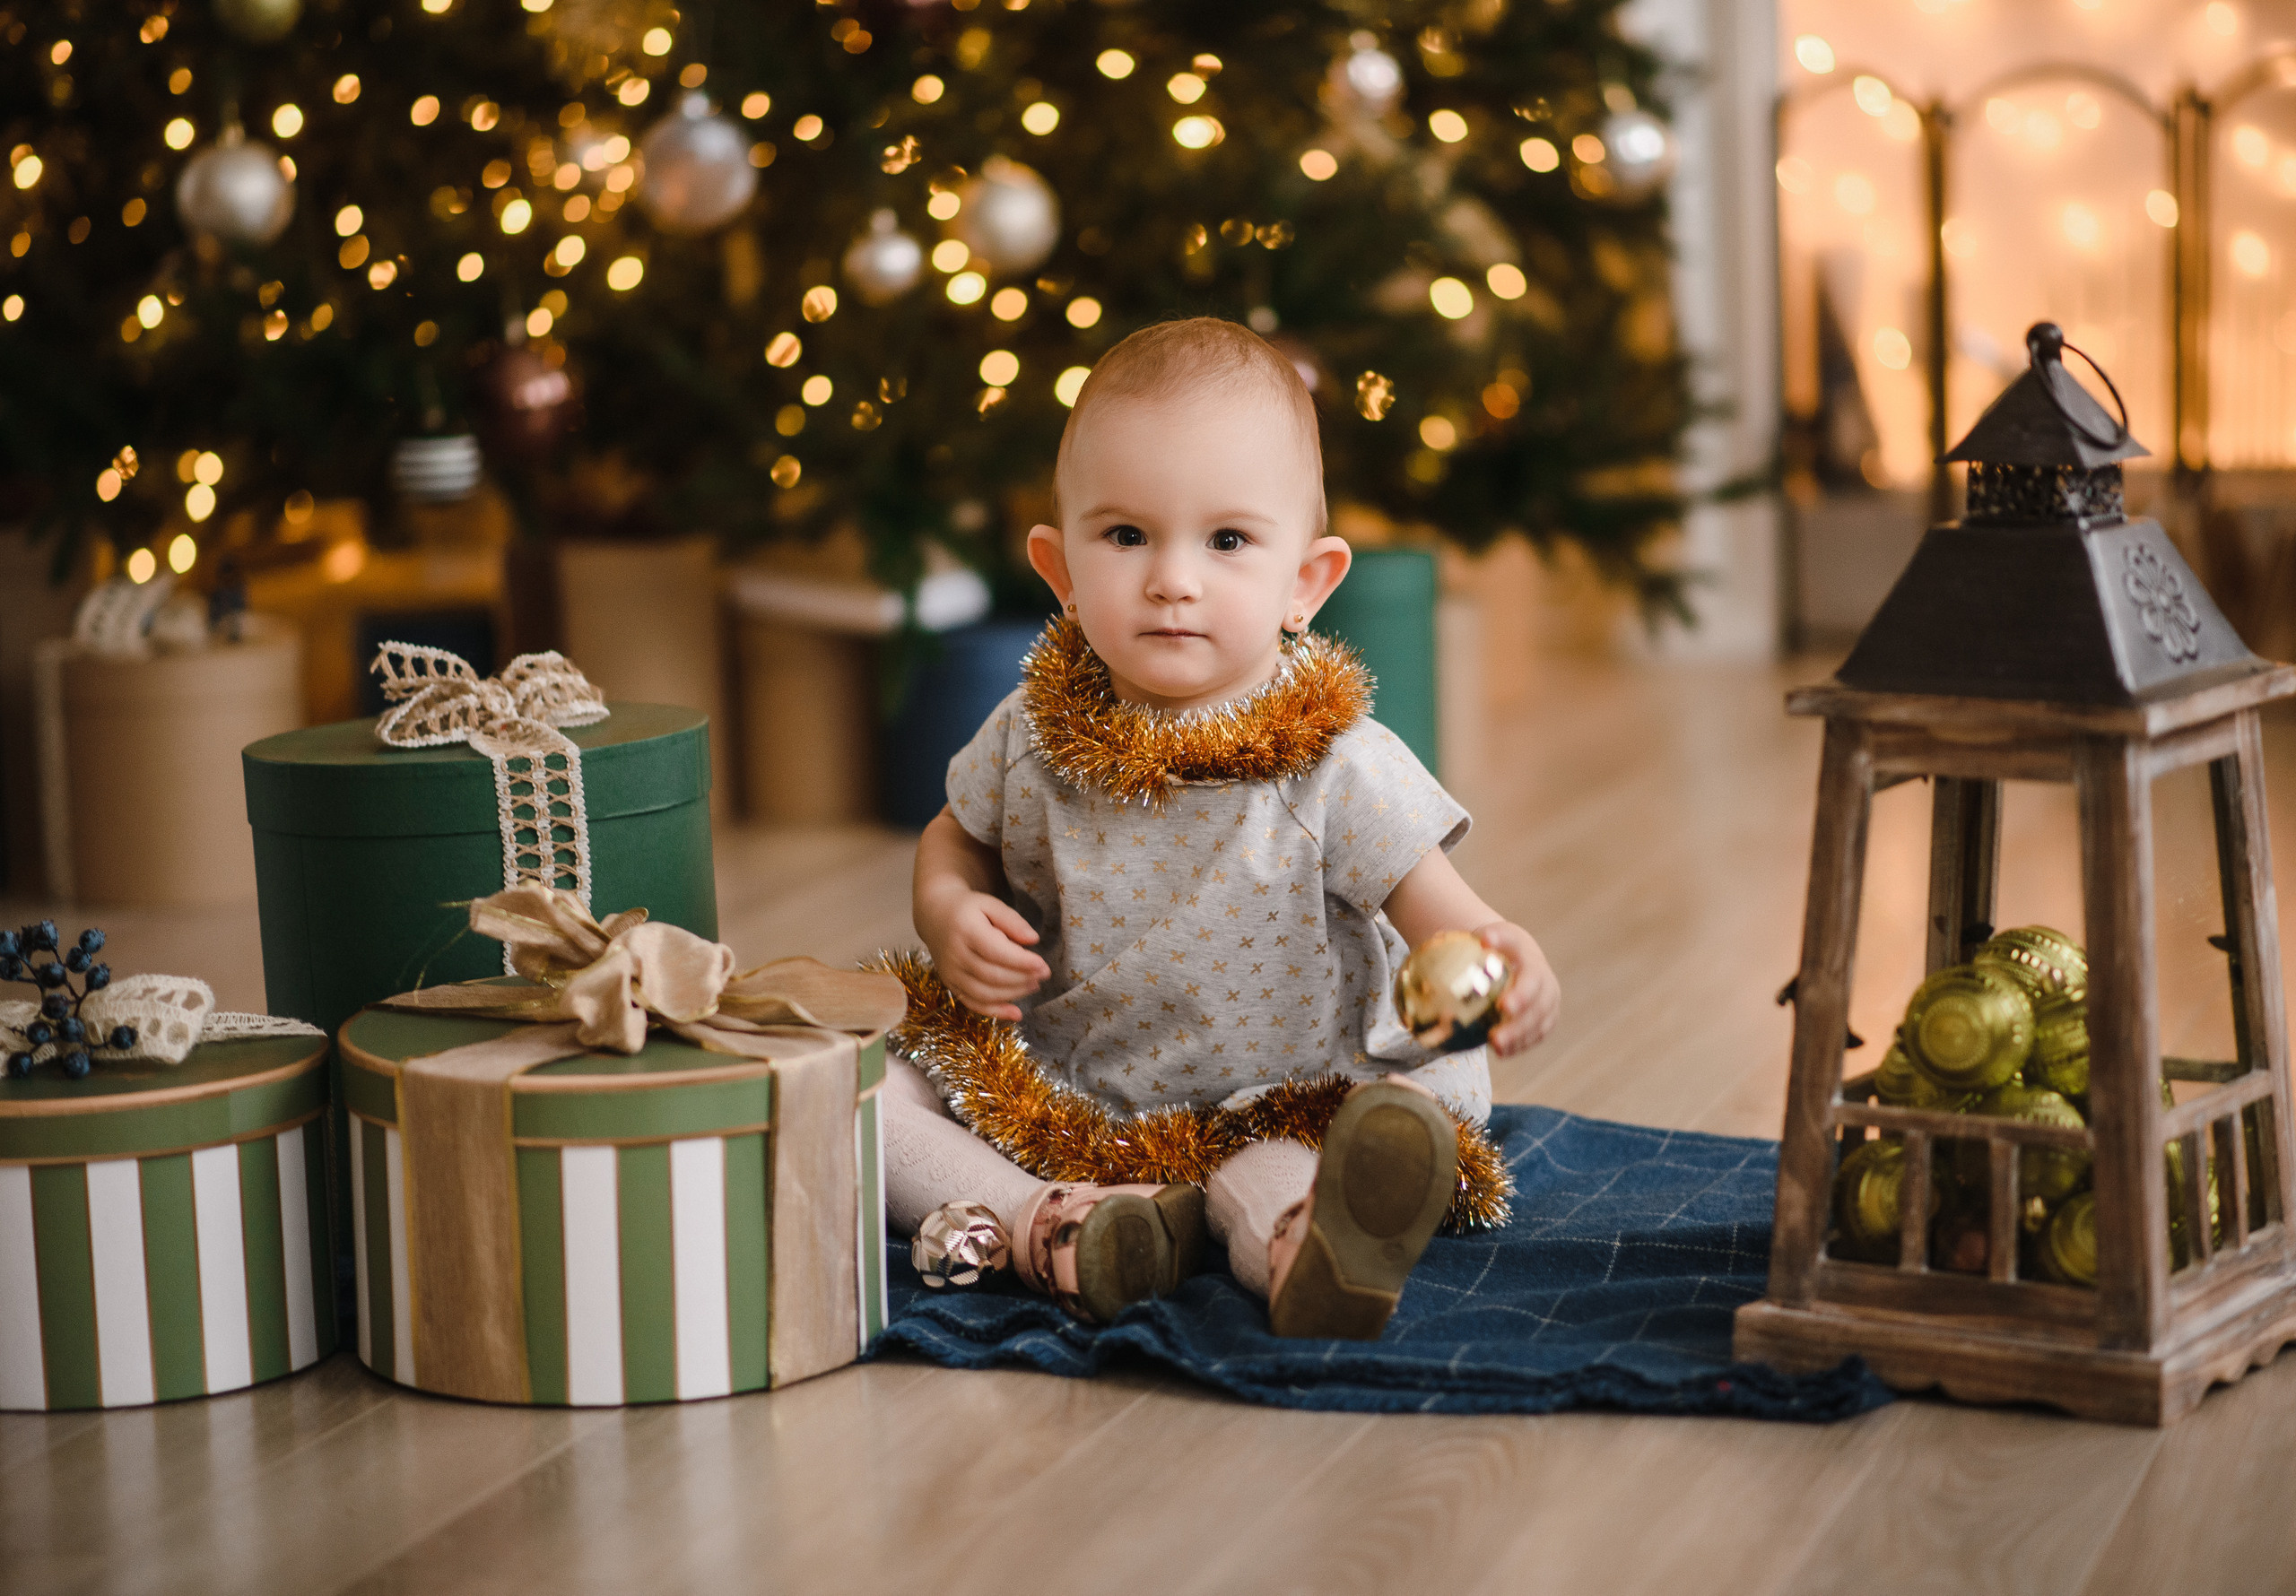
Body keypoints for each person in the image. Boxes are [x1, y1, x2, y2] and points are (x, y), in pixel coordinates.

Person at [887, 317, 1560, 1338]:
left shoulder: (1335, 761)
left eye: (1227, 541)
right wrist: (948, 910)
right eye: (1126, 536)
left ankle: (1303, 1246)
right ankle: (1054, 1225)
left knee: (1288, 1162)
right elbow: (957, 836)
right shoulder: (1031, 732)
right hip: (1072, 1089)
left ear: (1305, 584)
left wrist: (1502, 959)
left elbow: (1445, 917)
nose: (1173, 578)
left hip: (1280, 1093)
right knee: (869, 1090)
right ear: (1060, 570)